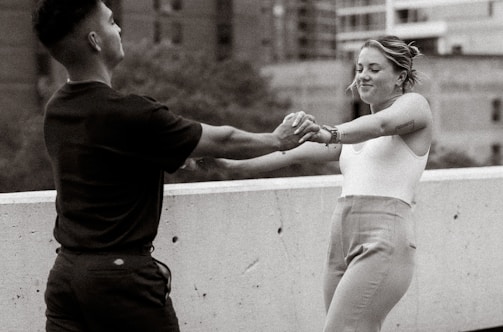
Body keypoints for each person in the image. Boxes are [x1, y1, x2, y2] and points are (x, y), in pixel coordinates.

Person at [31, 1, 319, 331]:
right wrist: (277, 140)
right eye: (112, 22)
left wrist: (173, 154)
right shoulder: (131, 113)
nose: (120, 29)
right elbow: (223, 139)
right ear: (95, 40)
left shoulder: (57, 109)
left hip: (66, 275)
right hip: (120, 279)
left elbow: (106, 158)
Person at [202, 36, 433, 331]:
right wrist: (223, 163)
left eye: (374, 69)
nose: (363, 75)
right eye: (360, 68)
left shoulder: (415, 106)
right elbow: (286, 155)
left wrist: (328, 133)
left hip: (384, 239)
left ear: (400, 76)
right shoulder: (353, 134)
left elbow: (381, 125)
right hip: (341, 241)